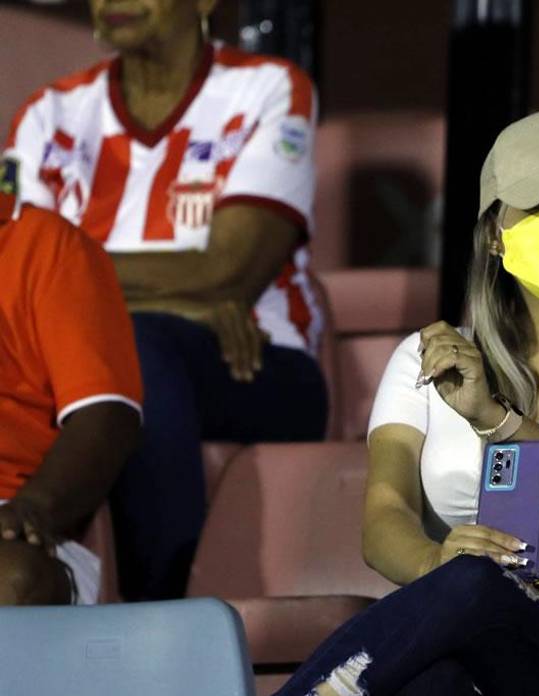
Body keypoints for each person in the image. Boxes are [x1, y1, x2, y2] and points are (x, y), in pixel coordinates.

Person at [65, 110, 539, 696]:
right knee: (423, 676)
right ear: (497, 231)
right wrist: (437, 567)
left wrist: (497, 420)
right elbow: (384, 521)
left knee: (470, 592)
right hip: (468, 656)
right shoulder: (428, 357)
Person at [2, 0, 328, 601]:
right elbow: (17, 269)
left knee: (140, 352)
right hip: (83, 365)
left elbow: (227, 268)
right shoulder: (49, 113)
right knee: (127, 350)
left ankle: (162, 611)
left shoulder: (268, 89)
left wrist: (83, 288)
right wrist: (175, 296)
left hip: (253, 361)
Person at [0, 185, 142, 606]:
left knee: (12, 578)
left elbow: (107, 414)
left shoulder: (44, 243)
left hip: (13, 516)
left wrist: (34, 509)